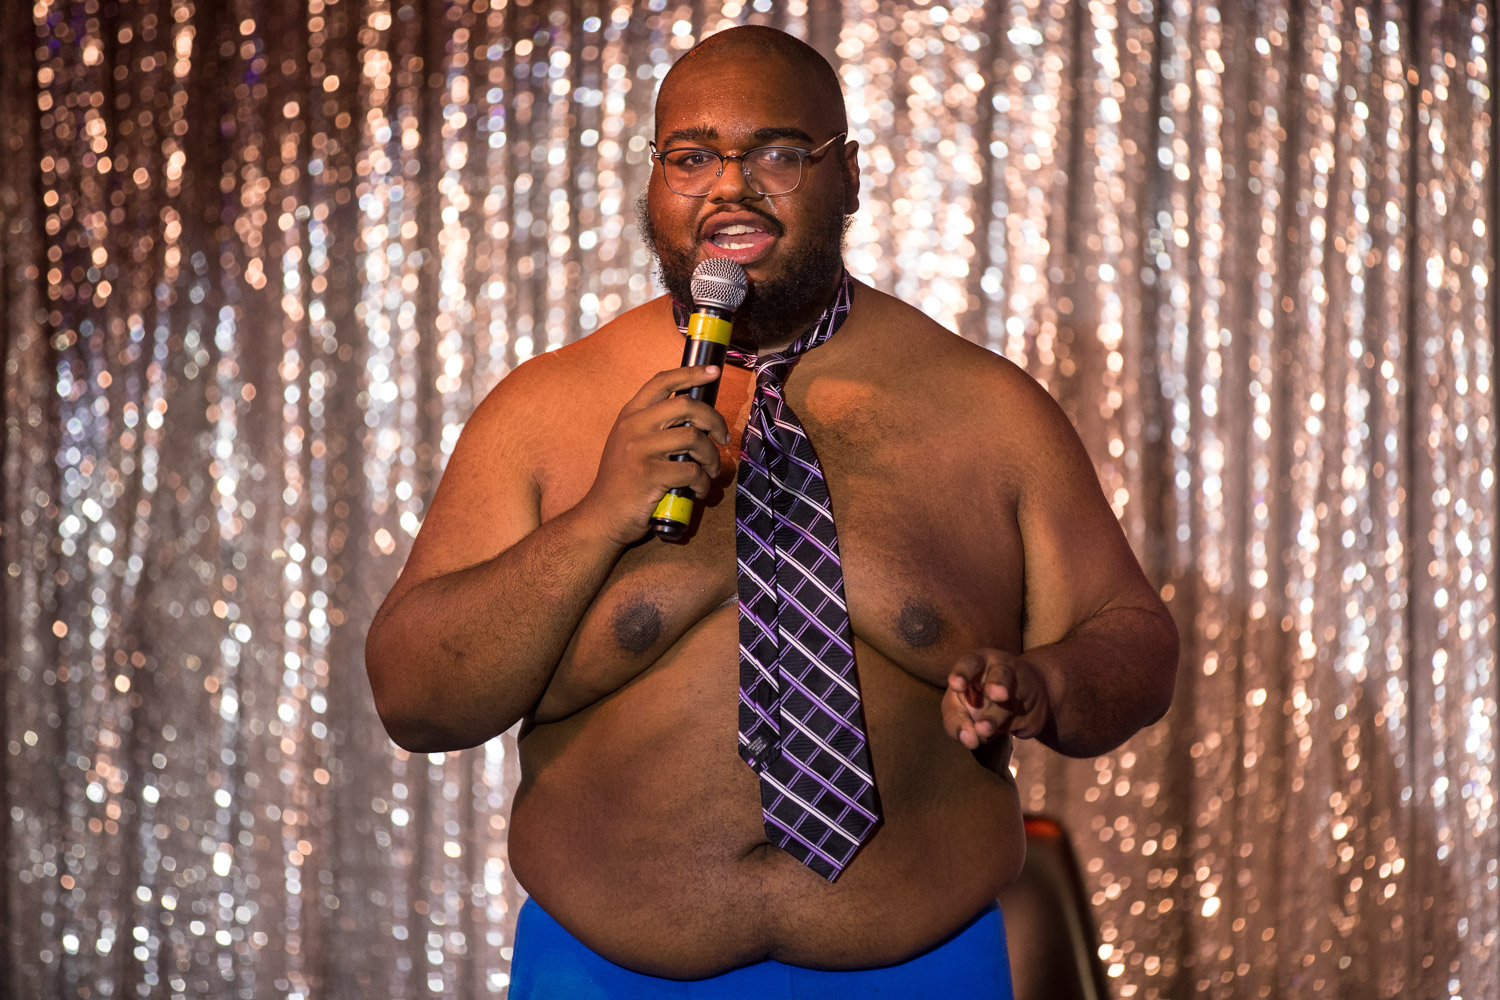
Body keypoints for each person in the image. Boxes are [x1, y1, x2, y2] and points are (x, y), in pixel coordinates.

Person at [365, 24, 1178, 999]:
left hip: (924, 968)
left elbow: (1135, 639)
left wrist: (1047, 683)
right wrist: (598, 517)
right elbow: (413, 700)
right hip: (607, 973)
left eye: (778, 153)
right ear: (656, 179)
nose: (730, 187)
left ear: (851, 177)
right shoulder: (543, 410)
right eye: (693, 155)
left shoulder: (986, 409)